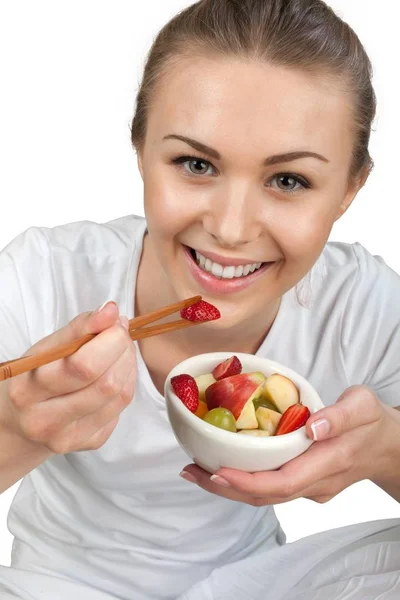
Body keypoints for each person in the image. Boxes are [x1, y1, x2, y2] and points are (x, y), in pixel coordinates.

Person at [0, 0, 399, 598]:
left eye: (288, 181)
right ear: (140, 152)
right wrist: (17, 426)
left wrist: (385, 451)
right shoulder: (44, 274)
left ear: (349, 189)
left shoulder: (361, 304)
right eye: (195, 163)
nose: (232, 229)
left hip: (257, 584)